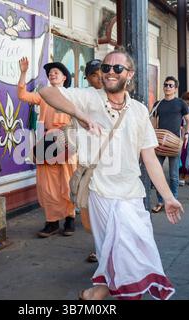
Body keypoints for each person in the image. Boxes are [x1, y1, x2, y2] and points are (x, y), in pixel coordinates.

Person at [39, 48, 184, 300]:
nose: (110, 73)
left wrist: (168, 197)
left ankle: (99, 291)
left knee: (135, 252)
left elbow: (149, 158)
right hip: (101, 191)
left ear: (130, 74)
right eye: (106, 68)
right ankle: (111, 292)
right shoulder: (88, 97)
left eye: (118, 68)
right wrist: (80, 114)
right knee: (120, 253)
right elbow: (46, 92)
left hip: (132, 194)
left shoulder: (139, 110)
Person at [17, 57, 77, 238]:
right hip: (47, 142)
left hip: (67, 141)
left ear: (64, 77)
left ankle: (70, 218)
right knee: (46, 184)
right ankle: (51, 222)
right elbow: (22, 95)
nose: (52, 74)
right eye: (50, 73)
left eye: (56, 72)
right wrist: (23, 73)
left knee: (68, 182)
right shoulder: (43, 94)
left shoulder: (73, 95)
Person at [151, 76, 189, 214]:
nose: (167, 87)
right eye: (166, 85)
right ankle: (160, 201)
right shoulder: (158, 103)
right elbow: (154, 123)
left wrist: (186, 134)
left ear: (175, 88)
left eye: (170, 85)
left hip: (174, 144)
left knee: (174, 175)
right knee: (157, 173)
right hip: (160, 143)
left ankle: (173, 200)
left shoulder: (181, 103)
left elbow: (188, 121)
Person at [83, 58, 103, 264]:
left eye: (100, 74)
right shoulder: (84, 97)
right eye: (93, 75)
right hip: (89, 159)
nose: (98, 79)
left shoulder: (114, 95)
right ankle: (99, 248)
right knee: (93, 209)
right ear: (87, 78)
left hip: (112, 160)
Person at [179, 91, 189, 186]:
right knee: (183, 156)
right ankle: (182, 175)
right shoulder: (181, 109)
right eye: (187, 99)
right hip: (183, 136)